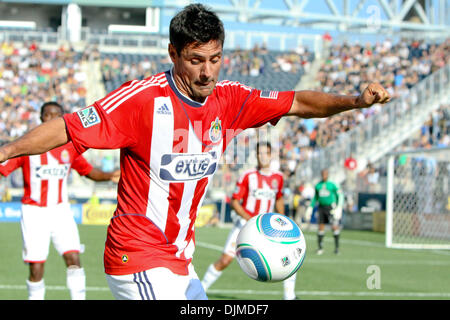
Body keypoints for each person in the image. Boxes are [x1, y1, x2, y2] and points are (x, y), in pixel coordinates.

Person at [0, 4, 390, 300]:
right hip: (137, 257)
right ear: (173, 54)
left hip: (180, 262)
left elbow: (298, 103)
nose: (207, 72)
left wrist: (354, 101)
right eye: (196, 60)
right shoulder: (141, 100)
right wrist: (7, 150)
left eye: (215, 60)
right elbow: (68, 127)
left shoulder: (230, 99)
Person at [0, 101, 120, 300]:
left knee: (73, 257)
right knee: (36, 266)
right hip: (34, 212)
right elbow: (3, 167)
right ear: (41, 118)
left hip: (61, 211)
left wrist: (110, 175)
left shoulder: (70, 149)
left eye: (57, 115)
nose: (52, 118)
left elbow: (90, 172)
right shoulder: (27, 146)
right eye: (48, 115)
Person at [201, 141, 297, 300]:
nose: (263, 156)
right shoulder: (247, 176)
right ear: (256, 156)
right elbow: (235, 202)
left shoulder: (278, 178)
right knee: (225, 260)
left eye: (266, 153)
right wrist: (252, 221)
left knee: (287, 257)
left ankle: (290, 296)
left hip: (268, 230)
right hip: (244, 227)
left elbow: (278, 198)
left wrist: (284, 220)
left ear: (271, 155)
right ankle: (200, 290)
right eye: (260, 153)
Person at [305, 169, 343, 255]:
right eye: (323, 174)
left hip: (331, 207)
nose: (324, 175)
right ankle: (320, 248)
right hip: (321, 207)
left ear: (328, 174)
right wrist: (310, 207)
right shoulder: (318, 185)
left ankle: (337, 248)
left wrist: (339, 207)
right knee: (321, 226)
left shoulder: (332, 185)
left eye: (326, 174)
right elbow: (315, 197)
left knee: (334, 226)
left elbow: (340, 195)